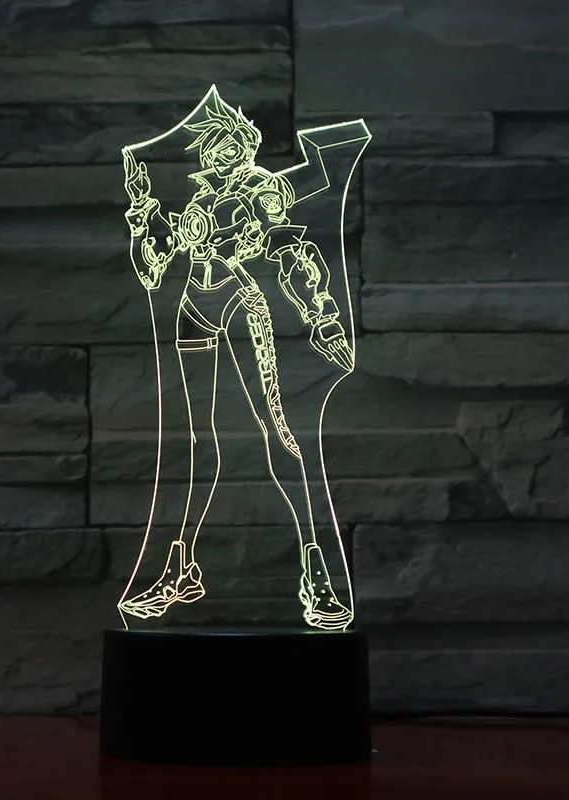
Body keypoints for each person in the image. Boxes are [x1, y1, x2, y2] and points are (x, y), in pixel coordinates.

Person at [119, 93, 354, 630]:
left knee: (277, 433)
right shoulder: (197, 203)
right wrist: (141, 214)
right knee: (196, 441)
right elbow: (151, 270)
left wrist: (322, 316)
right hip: (194, 309)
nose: (220, 154)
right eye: (212, 145)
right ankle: (181, 567)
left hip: (239, 298)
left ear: (245, 145)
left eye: (229, 143)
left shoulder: (261, 188)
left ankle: (316, 569)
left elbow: (291, 250)